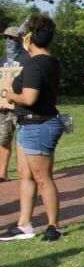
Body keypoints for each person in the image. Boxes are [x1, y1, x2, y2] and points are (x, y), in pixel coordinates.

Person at [0, 15, 63, 241]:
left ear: (30, 38)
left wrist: (7, 94)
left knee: (42, 177)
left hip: (39, 123)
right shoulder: (46, 61)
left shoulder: (37, 63)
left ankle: (53, 226)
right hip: (28, 123)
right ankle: (24, 224)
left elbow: (29, 97)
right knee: (25, 175)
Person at [0, 24, 31, 181]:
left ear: (19, 39)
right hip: (4, 108)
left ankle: (25, 173)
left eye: (11, 38)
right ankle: (2, 173)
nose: (8, 41)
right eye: (5, 38)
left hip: (21, 107)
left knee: (23, 141)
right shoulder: (1, 60)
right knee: (3, 140)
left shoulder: (27, 58)